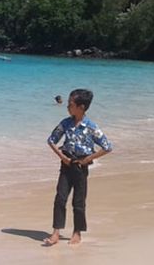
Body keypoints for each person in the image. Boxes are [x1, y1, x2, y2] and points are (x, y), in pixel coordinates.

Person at [44, 89, 113, 246]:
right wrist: (63, 157)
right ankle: (56, 233)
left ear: (81, 107)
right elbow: (51, 140)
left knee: (79, 201)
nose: (68, 106)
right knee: (60, 198)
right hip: (66, 164)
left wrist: (88, 158)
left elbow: (108, 147)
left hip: (81, 167)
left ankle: (77, 233)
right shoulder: (65, 123)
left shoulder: (91, 127)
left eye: (70, 104)